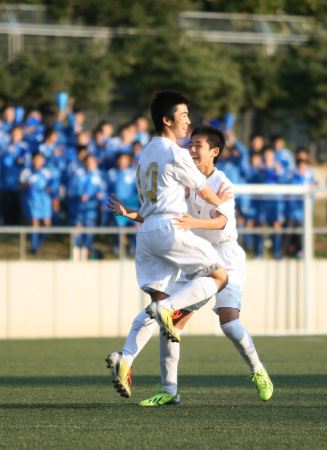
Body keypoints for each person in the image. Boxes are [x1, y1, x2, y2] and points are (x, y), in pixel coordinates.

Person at [107, 124, 273, 405]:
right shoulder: (184, 181)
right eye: (190, 144)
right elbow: (160, 213)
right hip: (197, 256)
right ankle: (169, 391)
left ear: (214, 152)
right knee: (171, 326)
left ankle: (258, 370)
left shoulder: (223, 184)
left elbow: (222, 221)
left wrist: (195, 223)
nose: (192, 149)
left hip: (226, 258)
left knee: (229, 324)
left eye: (198, 145)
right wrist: (128, 214)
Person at [104, 90, 230, 397]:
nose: (188, 121)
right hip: (170, 227)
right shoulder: (175, 152)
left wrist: (127, 213)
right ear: (166, 119)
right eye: (184, 115)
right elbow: (202, 189)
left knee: (156, 306)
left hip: (147, 232)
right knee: (219, 276)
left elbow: (152, 205)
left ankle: (127, 359)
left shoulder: (146, 151)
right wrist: (223, 207)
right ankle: (171, 310)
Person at [20, 153, 53, 253]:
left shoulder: (46, 172)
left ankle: (39, 243)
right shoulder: (26, 172)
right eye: (36, 159)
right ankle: (34, 247)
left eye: (41, 160)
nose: (38, 162)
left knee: (47, 223)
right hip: (32, 201)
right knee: (35, 223)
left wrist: (48, 189)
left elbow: (51, 185)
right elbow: (20, 187)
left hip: (44, 200)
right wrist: (27, 184)